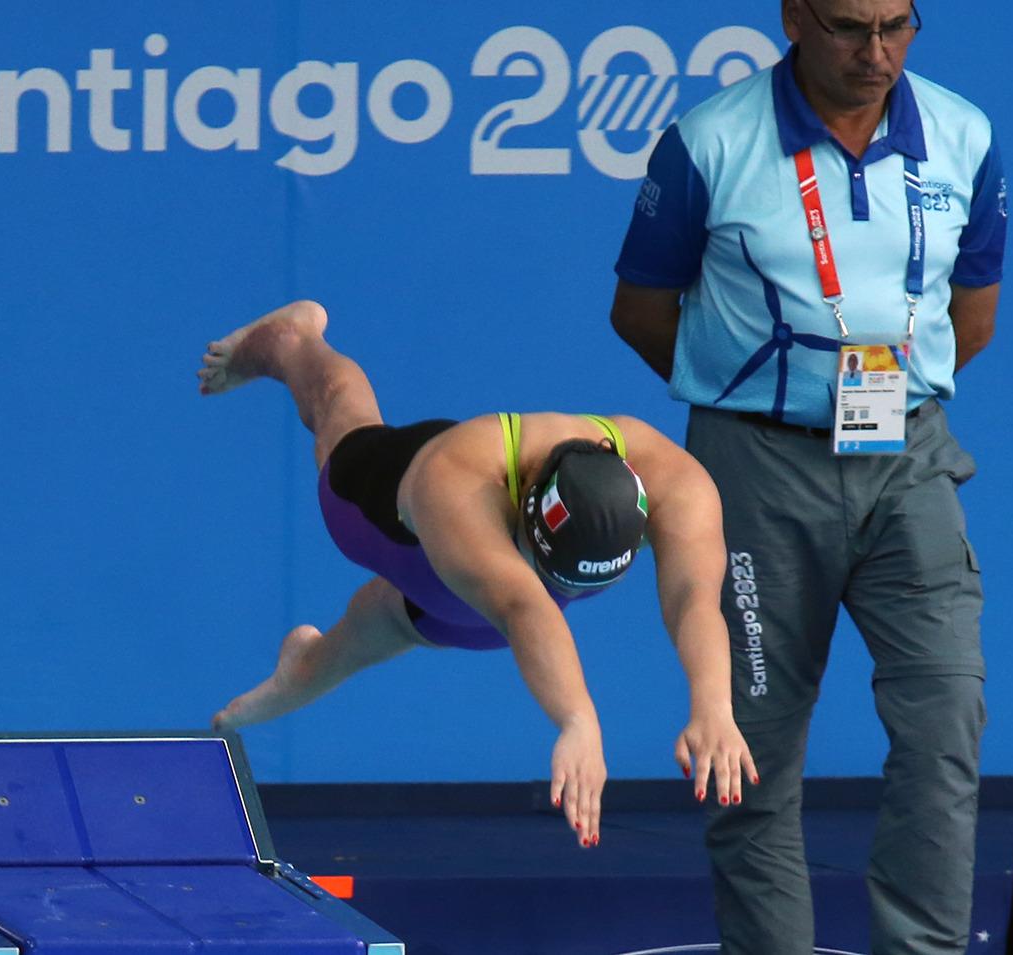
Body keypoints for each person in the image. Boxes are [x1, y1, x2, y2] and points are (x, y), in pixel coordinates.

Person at [609, 1, 1005, 952]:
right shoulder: (709, 142)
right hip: (755, 467)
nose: (876, 53)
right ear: (793, 16)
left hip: (908, 459)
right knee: (750, 750)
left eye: (898, 26)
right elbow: (640, 310)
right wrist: (747, 402)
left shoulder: (964, 133)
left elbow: (974, 312)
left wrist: (884, 403)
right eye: (847, 27)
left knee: (947, 720)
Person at [198, 299, 757, 847]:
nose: (556, 588)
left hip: (469, 602)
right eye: (551, 572)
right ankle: (298, 341)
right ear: (528, 514)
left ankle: (294, 674)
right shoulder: (455, 482)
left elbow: (694, 595)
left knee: (394, 630)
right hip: (398, 514)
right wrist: (577, 721)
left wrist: (713, 707)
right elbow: (525, 606)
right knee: (341, 418)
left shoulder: (675, 481)